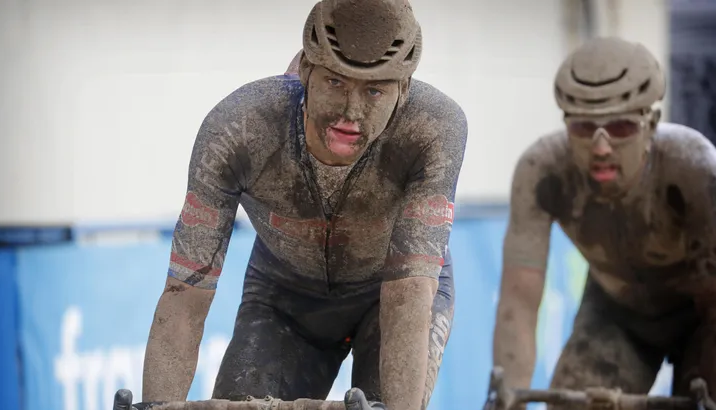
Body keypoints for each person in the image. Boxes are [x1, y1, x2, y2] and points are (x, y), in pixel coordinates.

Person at [141, 1, 468, 409]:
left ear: (403, 92)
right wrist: (155, 405)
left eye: (374, 90)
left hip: (392, 293)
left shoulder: (433, 129)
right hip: (286, 295)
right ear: (304, 73)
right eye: (335, 83)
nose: (351, 112)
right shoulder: (239, 128)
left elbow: (409, 294)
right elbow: (183, 297)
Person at [492, 36, 716, 406]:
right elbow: (518, 303)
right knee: (571, 403)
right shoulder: (543, 171)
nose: (601, 147)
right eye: (583, 129)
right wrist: (507, 397)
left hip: (703, 317)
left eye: (621, 128)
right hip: (617, 314)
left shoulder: (695, 169)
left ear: (651, 125)